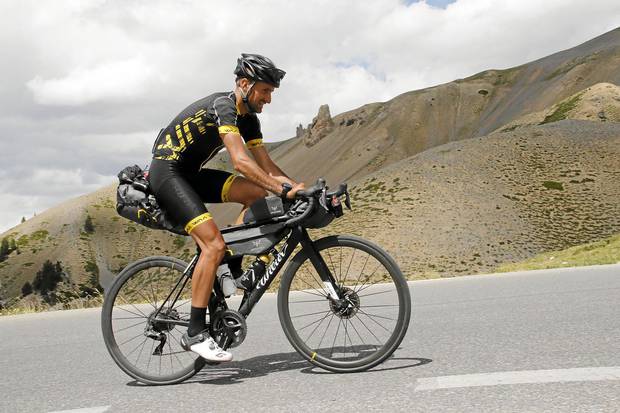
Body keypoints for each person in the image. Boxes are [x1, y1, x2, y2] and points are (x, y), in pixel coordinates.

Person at [148, 53, 305, 362]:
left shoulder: (250, 119)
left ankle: (231, 268)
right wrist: (281, 190)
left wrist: (301, 189)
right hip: (167, 173)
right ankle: (195, 332)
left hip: (191, 175)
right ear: (244, 84)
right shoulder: (224, 106)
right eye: (265, 91)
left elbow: (266, 166)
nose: (268, 99)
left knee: (257, 194)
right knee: (212, 244)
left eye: (271, 92)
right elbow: (241, 161)